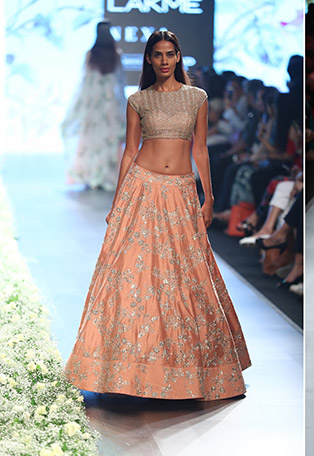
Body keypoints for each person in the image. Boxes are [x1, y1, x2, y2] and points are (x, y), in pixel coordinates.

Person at [64, 31, 251, 400]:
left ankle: (186, 369)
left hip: (181, 191)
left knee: (186, 276)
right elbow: (129, 152)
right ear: (149, 59)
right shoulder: (138, 100)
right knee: (133, 275)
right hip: (142, 188)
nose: (164, 61)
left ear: (178, 57)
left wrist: (209, 197)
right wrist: (117, 202)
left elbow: (200, 149)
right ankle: (124, 368)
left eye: (170, 54)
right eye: (157, 55)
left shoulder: (197, 98)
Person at [61, 21, 126, 191]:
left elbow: (85, 80)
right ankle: (106, 177)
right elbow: (120, 82)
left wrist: (79, 105)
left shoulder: (91, 54)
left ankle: (91, 177)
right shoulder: (115, 55)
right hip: (111, 105)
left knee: (92, 140)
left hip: (93, 104)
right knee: (108, 141)